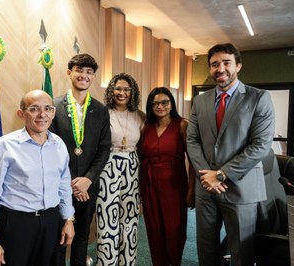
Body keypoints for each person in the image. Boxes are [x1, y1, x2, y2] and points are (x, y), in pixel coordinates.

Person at [186, 43, 275, 266]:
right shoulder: (200, 100)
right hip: (206, 188)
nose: (220, 68)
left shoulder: (258, 98)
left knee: (242, 252)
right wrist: (207, 176)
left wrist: (221, 175)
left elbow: (261, 145)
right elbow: (192, 140)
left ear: (238, 66)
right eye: (214, 64)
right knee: (206, 249)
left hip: (241, 187)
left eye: (226, 62)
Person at [0, 90, 75, 266]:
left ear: (53, 113)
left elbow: (64, 185)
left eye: (48, 109)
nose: (42, 115)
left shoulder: (59, 144)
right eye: (34, 109)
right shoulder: (4, 146)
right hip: (17, 225)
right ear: (21, 114)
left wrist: (68, 219)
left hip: (52, 223)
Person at [51, 53, 111, 266]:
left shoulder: (101, 110)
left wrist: (88, 179)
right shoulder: (53, 106)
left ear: (93, 77)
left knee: (82, 234)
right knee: (58, 235)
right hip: (60, 184)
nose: (84, 75)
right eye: (79, 70)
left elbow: (104, 149)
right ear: (69, 73)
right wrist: (71, 181)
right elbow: (50, 149)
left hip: (88, 186)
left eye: (89, 72)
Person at [140, 87, 196, 266]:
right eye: (155, 103)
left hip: (175, 186)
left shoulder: (182, 125)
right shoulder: (145, 126)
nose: (160, 106)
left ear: (172, 104)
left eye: (164, 102)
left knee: (174, 230)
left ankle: (175, 262)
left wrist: (191, 191)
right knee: (154, 229)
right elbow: (140, 157)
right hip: (149, 184)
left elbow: (193, 162)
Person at [96, 73, 145, 265]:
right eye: (118, 88)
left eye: (126, 89)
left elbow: (143, 148)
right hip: (108, 165)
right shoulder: (102, 113)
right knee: (107, 219)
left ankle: (127, 262)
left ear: (132, 92)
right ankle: (107, 261)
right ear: (111, 90)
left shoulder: (140, 116)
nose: (122, 93)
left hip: (132, 166)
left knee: (130, 220)